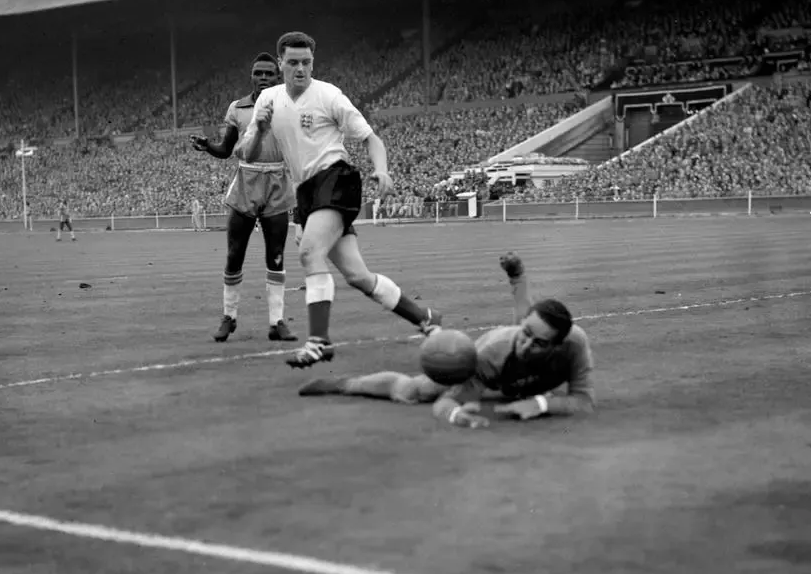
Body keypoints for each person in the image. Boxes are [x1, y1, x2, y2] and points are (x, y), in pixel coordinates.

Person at [238, 30, 440, 368]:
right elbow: (247, 153)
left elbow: (370, 138)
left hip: (336, 179)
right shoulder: (267, 100)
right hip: (306, 192)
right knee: (359, 277)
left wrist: (383, 170)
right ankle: (427, 317)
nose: (300, 69)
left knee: (308, 252)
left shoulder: (329, 95)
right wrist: (258, 129)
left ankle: (319, 342)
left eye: (306, 62)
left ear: (313, 63)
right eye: (293, 63)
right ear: (280, 64)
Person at [298, 252, 595, 428]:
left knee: (523, 326)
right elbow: (445, 403)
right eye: (528, 337)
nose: (528, 344)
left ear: (558, 345)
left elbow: (584, 401)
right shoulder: (488, 356)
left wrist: (541, 405)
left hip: (521, 370)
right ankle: (345, 384)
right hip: (495, 364)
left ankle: (518, 278)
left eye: (541, 343)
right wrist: (457, 415)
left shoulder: (574, 343)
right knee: (414, 391)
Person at [191, 52, 297, 342]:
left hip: (278, 181)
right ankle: (229, 317)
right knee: (234, 254)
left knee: (275, 256)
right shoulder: (238, 108)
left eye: (269, 73)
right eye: (258, 73)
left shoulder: (290, 106)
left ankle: (277, 322)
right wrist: (206, 146)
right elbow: (226, 150)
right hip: (246, 181)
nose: (263, 77)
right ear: (251, 76)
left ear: (278, 76)